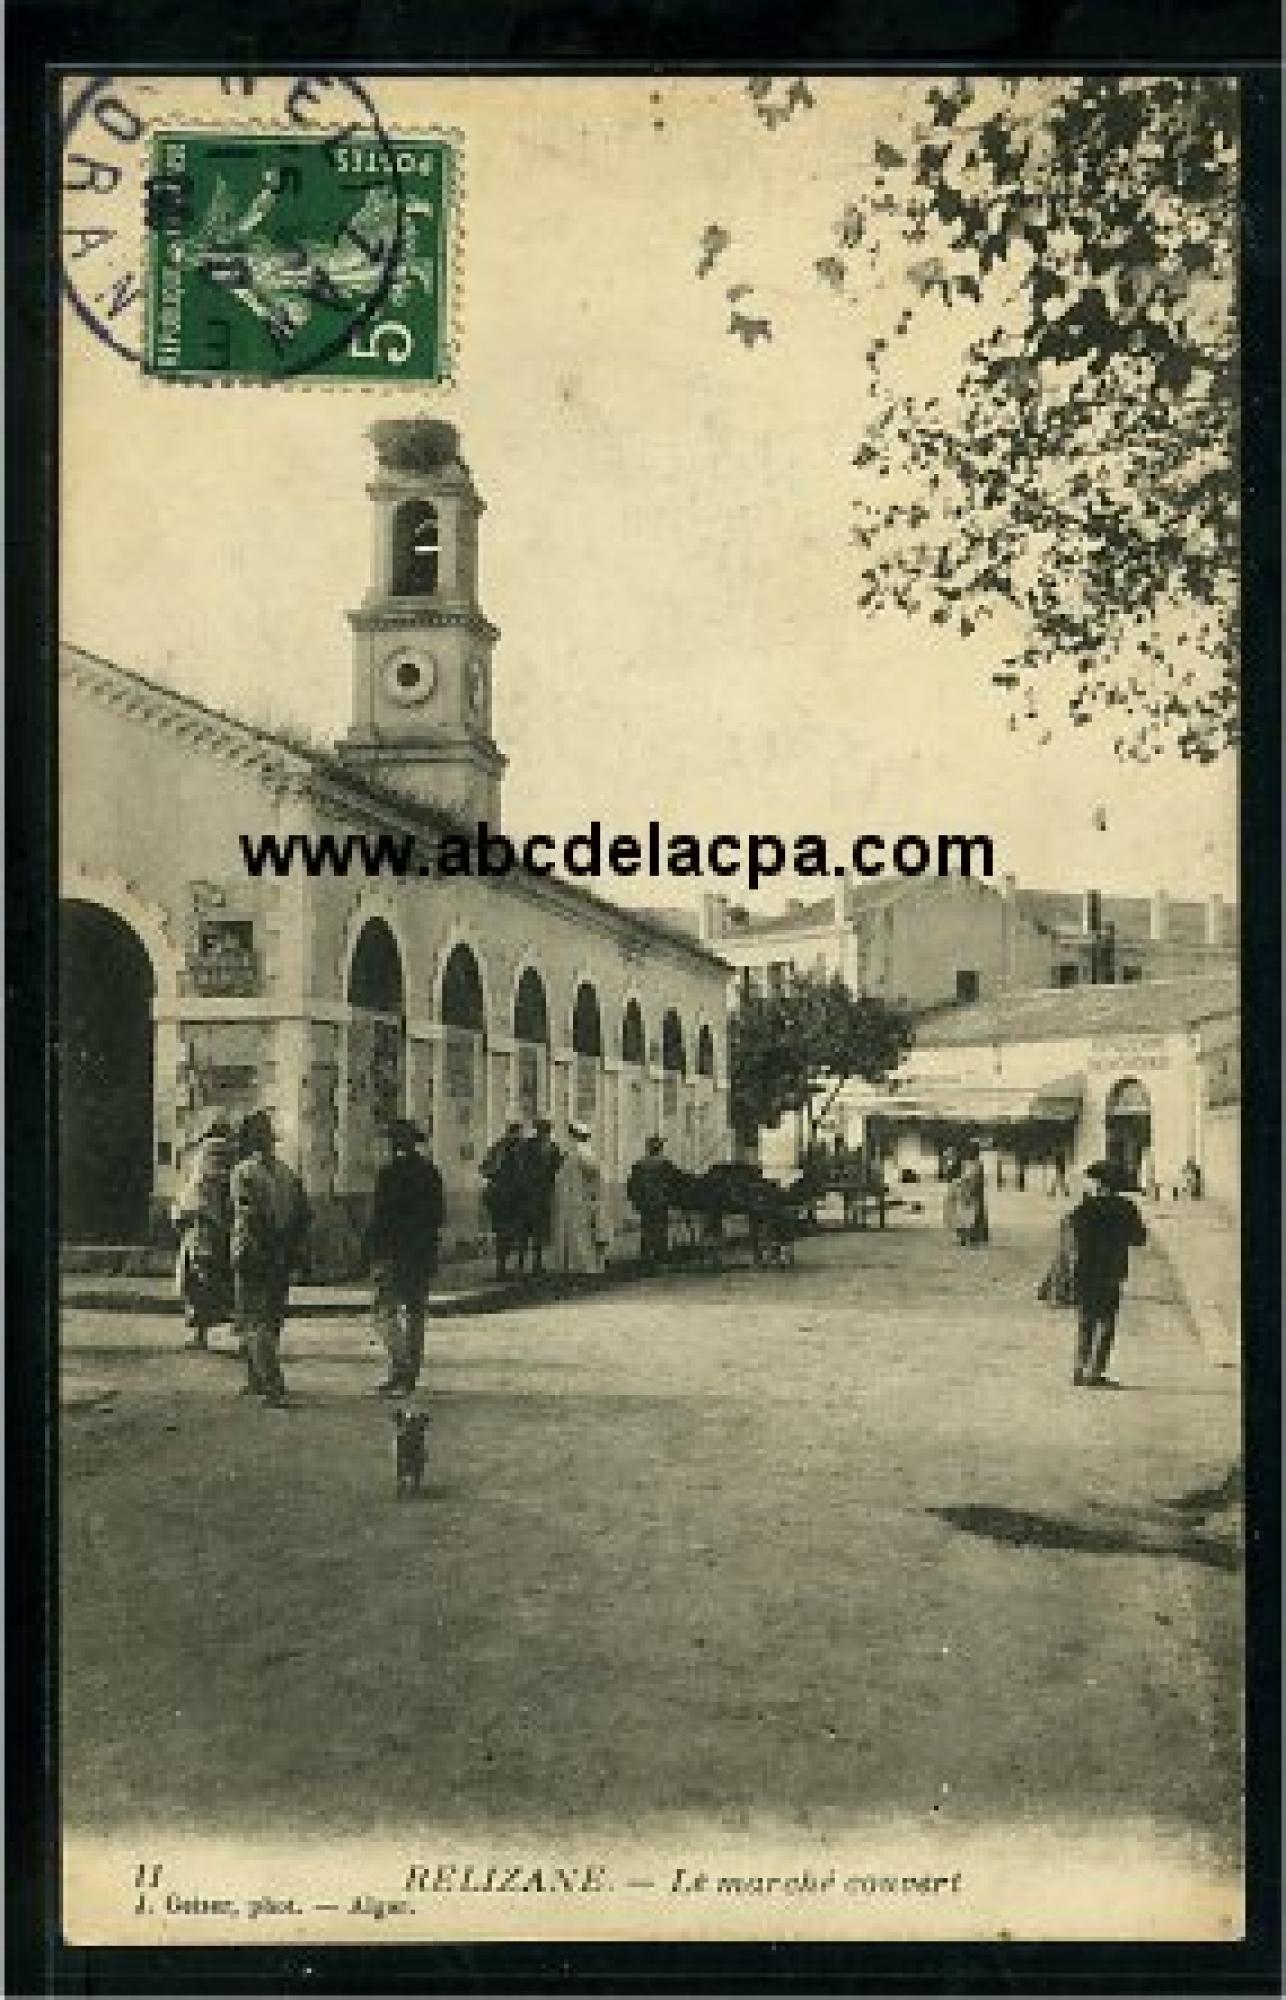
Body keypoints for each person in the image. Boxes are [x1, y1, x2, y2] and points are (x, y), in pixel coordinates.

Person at [229, 1111, 310, 1406]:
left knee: (252, 1319)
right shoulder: (288, 1173)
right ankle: (256, 1380)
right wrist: (290, 1248)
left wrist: (267, 1245)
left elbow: (250, 1217)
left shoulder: (243, 1173)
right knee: (272, 1318)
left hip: (253, 1253)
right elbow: (303, 1214)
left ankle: (272, 1384)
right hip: (283, 1254)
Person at [365, 1119, 444, 1396]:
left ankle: (401, 1367)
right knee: (416, 1313)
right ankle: (410, 1375)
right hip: (421, 1254)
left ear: (394, 1144)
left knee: (383, 1313)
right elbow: (438, 1216)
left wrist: (373, 1251)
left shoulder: (389, 1174)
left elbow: (381, 1217)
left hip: (393, 1253)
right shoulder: (430, 1172)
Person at [1067, 1159, 1147, 1388]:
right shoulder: (1127, 1207)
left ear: (1099, 1183)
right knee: (1106, 1322)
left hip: (1085, 1271)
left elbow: (1072, 1239)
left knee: (1086, 1321)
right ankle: (1095, 1372)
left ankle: (1079, 1369)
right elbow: (1139, 1240)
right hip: (1112, 1271)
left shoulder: (1084, 1208)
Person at [172, 1109, 235, 1348]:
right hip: (220, 1223)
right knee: (217, 1278)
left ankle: (201, 1335)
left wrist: (181, 1214)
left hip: (204, 1224)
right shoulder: (229, 1154)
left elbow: (195, 1188)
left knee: (198, 1279)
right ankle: (237, 1336)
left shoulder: (208, 1151)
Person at [552, 1120, 607, 1276]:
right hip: (574, 1199)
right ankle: (578, 1266)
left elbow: (594, 1174)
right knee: (577, 1234)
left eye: (574, 1134)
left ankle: (583, 1267)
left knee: (580, 1235)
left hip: (579, 1200)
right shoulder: (575, 1153)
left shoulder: (581, 1153)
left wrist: (592, 1195)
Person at [515, 1117, 562, 1277]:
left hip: (544, 1194)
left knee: (540, 1231)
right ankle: (521, 1264)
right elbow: (521, 1166)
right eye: (542, 1130)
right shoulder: (528, 1146)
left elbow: (556, 1169)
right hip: (528, 1194)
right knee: (524, 1231)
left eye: (546, 1130)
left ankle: (537, 1263)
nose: (545, 1133)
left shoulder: (554, 1148)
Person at [480, 1121, 525, 1279]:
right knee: (505, 1232)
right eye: (516, 1134)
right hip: (503, 1196)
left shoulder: (518, 1149)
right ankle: (503, 1267)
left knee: (511, 1233)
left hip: (512, 1196)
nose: (518, 1137)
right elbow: (485, 1169)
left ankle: (510, 1267)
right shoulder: (501, 1149)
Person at [627, 1135, 672, 1271]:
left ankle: (646, 1259)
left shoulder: (639, 1165)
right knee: (661, 1230)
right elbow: (672, 1183)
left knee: (647, 1230)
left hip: (645, 1203)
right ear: (660, 1149)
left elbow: (632, 1186)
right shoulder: (665, 1164)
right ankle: (660, 1259)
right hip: (660, 1202)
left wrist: (635, 1200)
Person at [951, 1141, 989, 1247]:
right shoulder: (967, 1163)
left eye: (973, 1151)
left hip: (974, 1191)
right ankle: (965, 1237)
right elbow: (963, 1177)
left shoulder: (977, 1164)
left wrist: (972, 1189)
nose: (971, 1153)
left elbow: (978, 1179)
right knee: (964, 1214)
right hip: (966, 1190)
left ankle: (974, 1237)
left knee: (973, 1215)